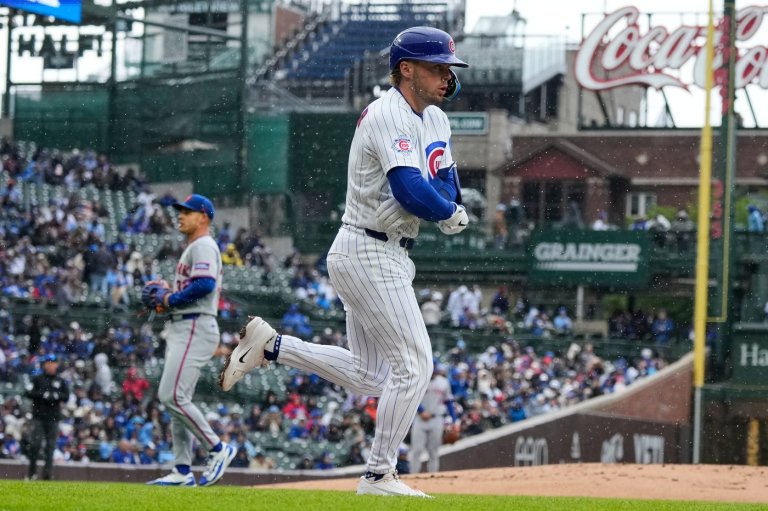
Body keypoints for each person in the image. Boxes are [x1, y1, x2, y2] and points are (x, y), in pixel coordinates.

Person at [220, 26, 470, 498]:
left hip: (388, 251)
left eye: (449, 68)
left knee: (370, 375)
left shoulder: (435, 119)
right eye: (437, 67)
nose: (446, 76)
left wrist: (446, 204)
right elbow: (412, 190)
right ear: (406, 69)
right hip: (367, 247)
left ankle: (273, 347)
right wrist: (447, 211)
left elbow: (446, 182)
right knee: (414, 366)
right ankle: (378, 476)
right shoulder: (386, 113)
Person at [143, 194, 236, 487]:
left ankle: (218, 449)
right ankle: (182, 471)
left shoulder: (204, 245)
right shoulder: (194, 247)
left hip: (195, 324)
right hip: (186, 325)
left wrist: (169, 298)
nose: (180, 216)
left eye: (187, 212)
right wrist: (169, 297)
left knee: (171, 397)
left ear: (204, 217)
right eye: (180, 211)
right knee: (177, 401)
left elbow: (205, 285)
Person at [25, 354, 70, 481]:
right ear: (44, 364)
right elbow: (28, 392)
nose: (51, 365)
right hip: (39, 416)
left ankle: (47, 474)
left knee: (50, 447)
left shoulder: (60, 381)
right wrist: (43, 395)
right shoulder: (37, 379)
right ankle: (32, 473)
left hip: (53, 417)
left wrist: (55, 396)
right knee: (35, 445)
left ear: (56, 364)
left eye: (53, 362)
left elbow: (66, 396)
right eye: (48, 362)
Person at [409, 364, 457, 473]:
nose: (433, 371)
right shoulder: (418, 380)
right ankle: (413, 477)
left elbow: (449, 401)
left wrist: (454, 420)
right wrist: (421, 411)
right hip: (420, 420)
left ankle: (433, 478)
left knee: (434, 451)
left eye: (435, 369)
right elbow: (412, 397)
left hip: (437, 419)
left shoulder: (444, 382)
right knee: (417, 450)